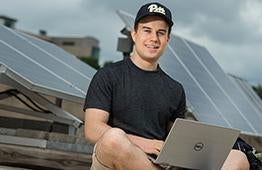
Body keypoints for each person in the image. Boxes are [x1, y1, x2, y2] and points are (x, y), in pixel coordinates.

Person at [84, 2, 250, 170]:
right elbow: (92, 130)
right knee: (114, 138)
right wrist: (144, 144)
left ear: (167, 39)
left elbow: (175, 141)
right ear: (134, 34)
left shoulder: (175, 89)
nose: (154, 38)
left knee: (237, 158)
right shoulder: (108, 75)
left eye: (161, 33)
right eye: (147, 30)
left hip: (155, 163)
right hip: (115, 160)